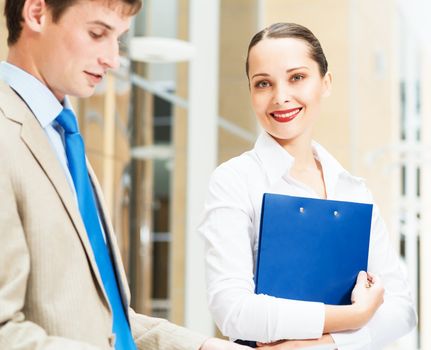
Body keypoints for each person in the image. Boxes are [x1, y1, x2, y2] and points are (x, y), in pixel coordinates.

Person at [0, 1, 251, 349]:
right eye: (97, 33)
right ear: (37, 13)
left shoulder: (62, 137)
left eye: (118, 39)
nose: (113, 59)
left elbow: (109, 324)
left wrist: (207, 347)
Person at [199, 22, 417, 349]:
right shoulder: (234, 181)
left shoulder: (353, 190)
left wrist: (324, 344)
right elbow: (233, 310)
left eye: (297, 77)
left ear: (325, 82)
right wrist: (355, 317)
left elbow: (402, 309)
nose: (281, 97)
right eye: (263, 84)